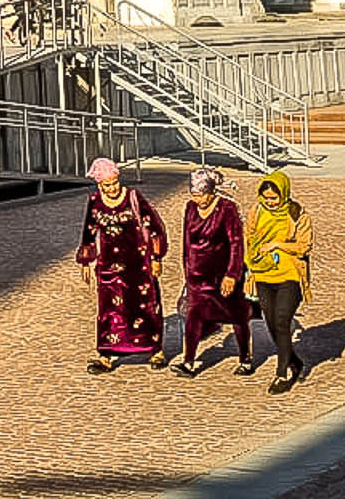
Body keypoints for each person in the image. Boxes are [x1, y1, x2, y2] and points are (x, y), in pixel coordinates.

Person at [76, 158, 169, 373]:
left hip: (138, 264)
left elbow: (154, 226)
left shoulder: (133, 197)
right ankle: (107, 354)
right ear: (99, 185)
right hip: (109, 265)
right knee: (110, 310)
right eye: (107, 185)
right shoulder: (95, 201)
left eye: (115, 183)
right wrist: (86, 260)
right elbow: (89, 231)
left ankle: (155, 350)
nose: (112, 188)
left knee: (145, 306)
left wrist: (156, 257)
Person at [174, 167, 253, 375]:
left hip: (222, 275)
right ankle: (188, 361)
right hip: (197, 276)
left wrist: (232, 275)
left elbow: (236, 243)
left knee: (236, 316)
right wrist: (187, 270)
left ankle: (245, 358)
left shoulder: (227, 209)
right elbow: (186, 242)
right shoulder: (190, 208)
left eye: (202, 195)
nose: (199, 199)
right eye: (195, 195)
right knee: (194, 316)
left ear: (211, 192)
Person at [245, 169, 313, 393]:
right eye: (266, 198)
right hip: (264, 274)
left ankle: (282, 373)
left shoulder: (297, 214)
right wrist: (251, 264)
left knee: (283, 319)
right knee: (272, 322)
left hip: (290, 274)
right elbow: (250, 237)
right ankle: (294, 361)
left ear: (283, 194)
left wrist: (278, 245)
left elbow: (304, 246)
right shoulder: (257, 211)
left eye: (274, 198)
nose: (270, 202)